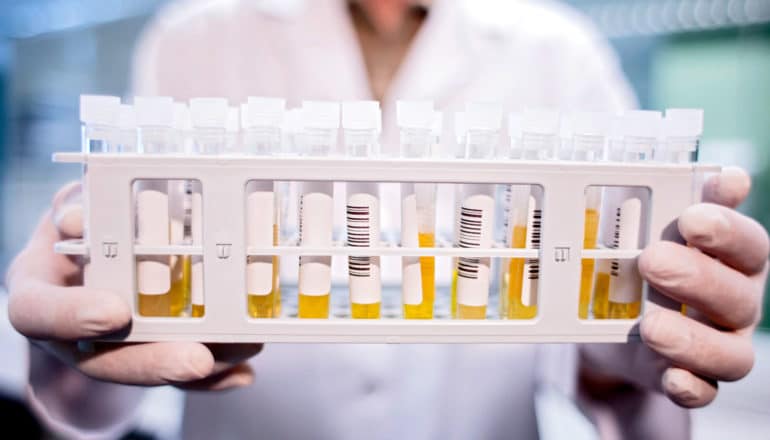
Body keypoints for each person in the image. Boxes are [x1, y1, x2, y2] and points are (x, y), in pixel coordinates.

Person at [6, 0, 769, 438]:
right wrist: (73, 350)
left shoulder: (558, 51)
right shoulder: (196, 35)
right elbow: (138, 328)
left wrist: (632, 360)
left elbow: (587, 295)